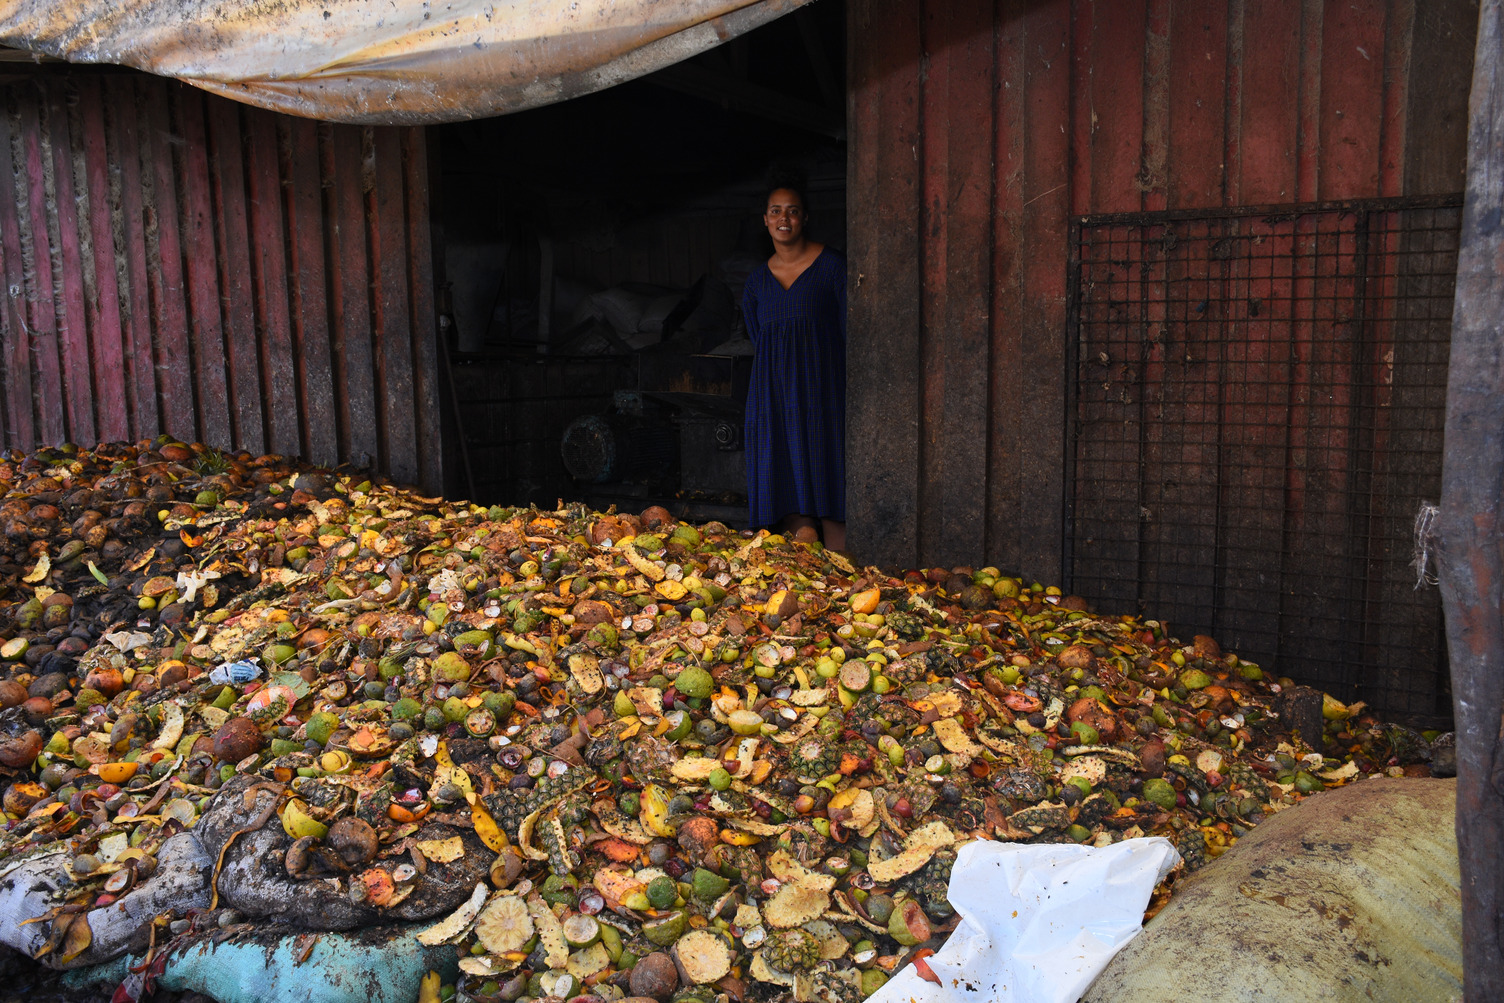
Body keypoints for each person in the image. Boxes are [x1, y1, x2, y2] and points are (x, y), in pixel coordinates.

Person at [741, 179, 846, 552]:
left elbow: (850, 332)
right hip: (773, 397)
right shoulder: (756, 284)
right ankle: (812, 582)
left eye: (793, 210)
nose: (784, 218)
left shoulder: (832, 268)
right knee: (786, 484)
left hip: (823, 393)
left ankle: (847, 577)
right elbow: (760, 338)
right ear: (765, 220)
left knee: (832, 485)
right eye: (776, 210)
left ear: (805, 218)